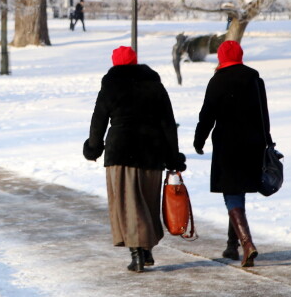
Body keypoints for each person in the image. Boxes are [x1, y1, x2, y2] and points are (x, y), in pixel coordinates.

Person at [83, 46, 186, 273]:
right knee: (147, 203)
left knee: (128, 205)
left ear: (115, 63)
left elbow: (98, 121)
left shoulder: (111, 86)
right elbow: (168, 124)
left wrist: (93, 147)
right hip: (151, 152)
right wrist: (173, 156)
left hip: (121, 152)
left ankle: (137, 254)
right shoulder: (155, 86)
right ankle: (146, 251)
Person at [194, 40, 269, 267]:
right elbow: (263, 112)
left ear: (220, 57)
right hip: (253, 143)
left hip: (228, 144)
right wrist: (267, 140)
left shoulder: (218, 80)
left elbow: (207, 114)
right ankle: (231, 244)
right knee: (238, 192)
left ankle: (246, 244)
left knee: (231, 193)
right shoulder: (255, 79)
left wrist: (199, 140)